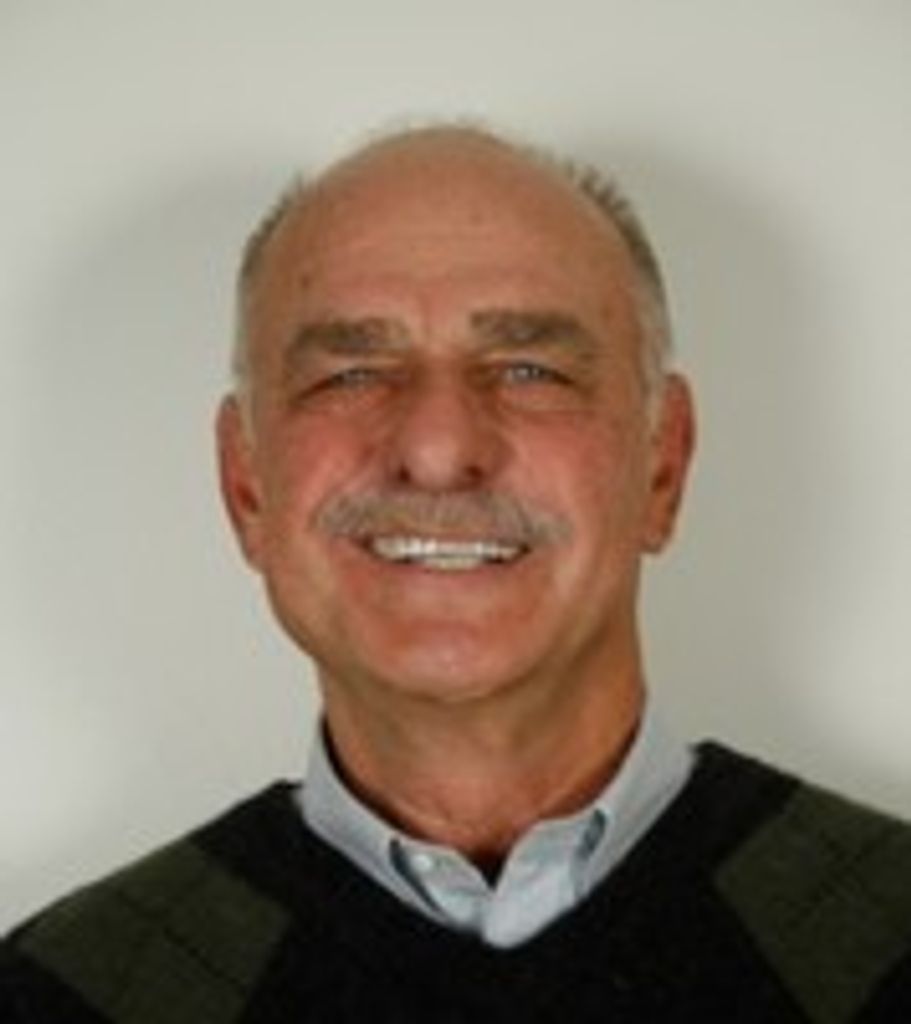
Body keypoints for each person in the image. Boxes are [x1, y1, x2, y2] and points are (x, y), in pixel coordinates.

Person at [3, 124, 910, 1022]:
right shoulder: (66, 996)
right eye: (350, 375)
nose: (437, 451)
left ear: (662, 467)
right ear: (245, 488)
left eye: (528, 369)